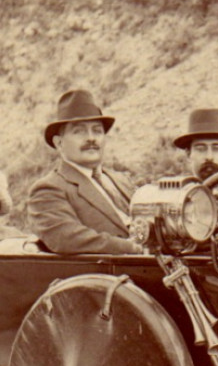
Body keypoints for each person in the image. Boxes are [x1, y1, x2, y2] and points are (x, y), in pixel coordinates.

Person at [25, 89, 143, 255]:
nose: (91, 138)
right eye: (79, 131)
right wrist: (131, 248)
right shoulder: (48, 189)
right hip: (109, 275)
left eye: (97, 131)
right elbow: (67, 238)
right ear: (59, 143)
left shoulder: (121, 180)